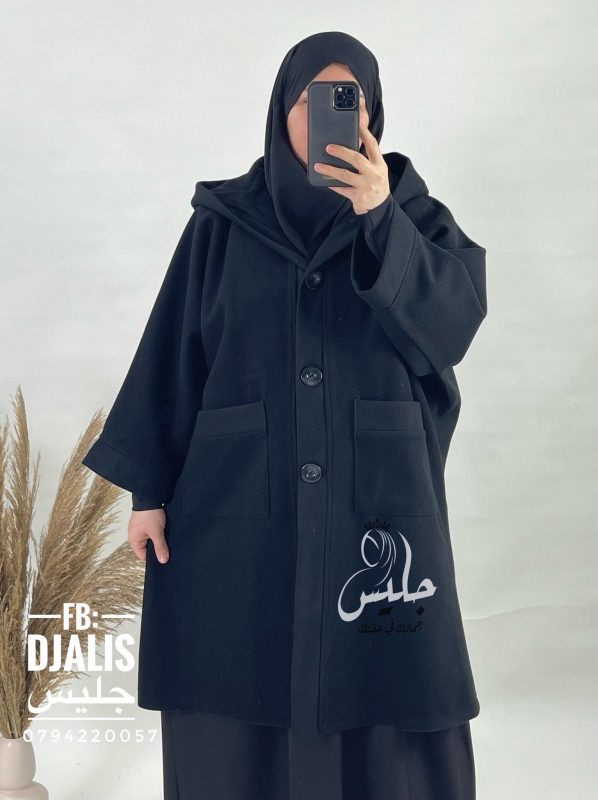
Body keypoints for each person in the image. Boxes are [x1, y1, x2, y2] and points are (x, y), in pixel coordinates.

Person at [82, 30, 486, 800]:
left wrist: (380, 219)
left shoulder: (414, 216)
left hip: (378, 510)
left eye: (349, 100)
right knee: (236, 662)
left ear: (372, 114)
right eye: (312, 100)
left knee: (385, 672)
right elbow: (175, 350)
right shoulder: (224, 222)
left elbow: (451, 330)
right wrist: (149, 493)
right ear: (282, 110)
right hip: (236, 504)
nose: (330, 117)